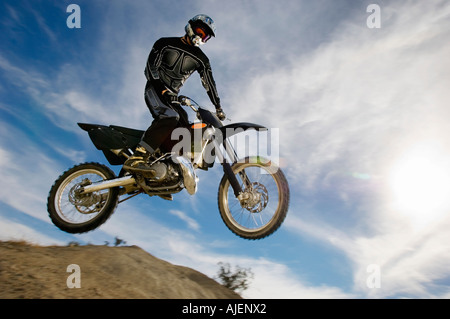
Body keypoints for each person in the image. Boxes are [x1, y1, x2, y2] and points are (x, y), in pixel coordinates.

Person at [124, 14, 225, 175]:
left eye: (205, 36)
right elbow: (150, 69)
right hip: (155, 89)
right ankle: (137, 157)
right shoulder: (164, 43)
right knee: (170, 116)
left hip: (172, 97)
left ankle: (166, 164)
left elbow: (209, 83)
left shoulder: (202, 59)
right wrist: (162, 90)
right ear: (191, 26)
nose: (201, 36)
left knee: (185, 127)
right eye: (200, 31)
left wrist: (218, 107)